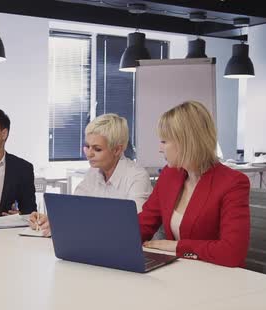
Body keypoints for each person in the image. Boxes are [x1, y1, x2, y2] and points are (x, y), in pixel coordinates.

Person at [139, 101, 250, 268]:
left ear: (186, 141)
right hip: (179, 273)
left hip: (216, 277)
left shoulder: (232, 183)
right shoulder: (169, 176)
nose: (160, 149)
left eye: (164, 141)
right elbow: (144, 224)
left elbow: (232, 253)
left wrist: (177, 247)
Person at [30, 113, 152, 236]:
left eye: (97, 149)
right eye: (87, 146)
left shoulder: (137, 177)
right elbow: (74, 209)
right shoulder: (94, 172)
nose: (89, 154)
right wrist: (52, 220)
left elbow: (131, 224)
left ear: (117, 150)